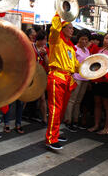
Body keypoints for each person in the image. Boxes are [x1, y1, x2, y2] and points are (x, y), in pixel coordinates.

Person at [45, 13, 79, 150]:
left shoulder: (71, 47)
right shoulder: (56, 40)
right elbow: (54, 29)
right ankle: (50, 139)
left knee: (62, 109)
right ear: (63, 28)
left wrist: (92, 67)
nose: (72, 30)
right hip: (56, 77)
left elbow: (76, 66)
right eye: (69, 27)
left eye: (72, 28)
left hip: (68, 79)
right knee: (55, 109)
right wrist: (59, 14)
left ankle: (56, 133)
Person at [88, 32, 108, 135]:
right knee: (97, 103)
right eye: (107, 38)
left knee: (107, 106)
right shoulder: (101, 51)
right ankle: (96, 125)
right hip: (98, 80)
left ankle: (107, 128)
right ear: (103, 40)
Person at [64, 29, 91, 132]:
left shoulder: (87, 50)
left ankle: (75, 120)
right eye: (82, 39)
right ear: (78, 39)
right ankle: (68, 121)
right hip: (76, 77)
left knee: (78, 101)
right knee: (72, 100)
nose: (84, 41)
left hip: (85, 78)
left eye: (86, 40)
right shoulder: (74, 49)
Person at [34, 30, 49, 124]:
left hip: (41, 76)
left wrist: (45, 54)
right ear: (39, 40)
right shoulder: (31, 47)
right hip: (31, 74)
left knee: (42, 98)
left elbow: (48, 64)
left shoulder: (45, 49)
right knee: (25, 98)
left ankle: (44, 118)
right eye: (44, 40)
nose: (45, 42)